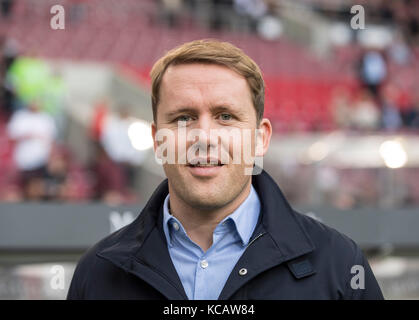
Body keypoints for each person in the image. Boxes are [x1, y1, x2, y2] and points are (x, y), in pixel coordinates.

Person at [68, 39, 384, 300]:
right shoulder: (97, 274)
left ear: (261, 139)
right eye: (183, 118)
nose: (204, 137)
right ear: (157, 140)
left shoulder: (340, 266)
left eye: (225, 116)